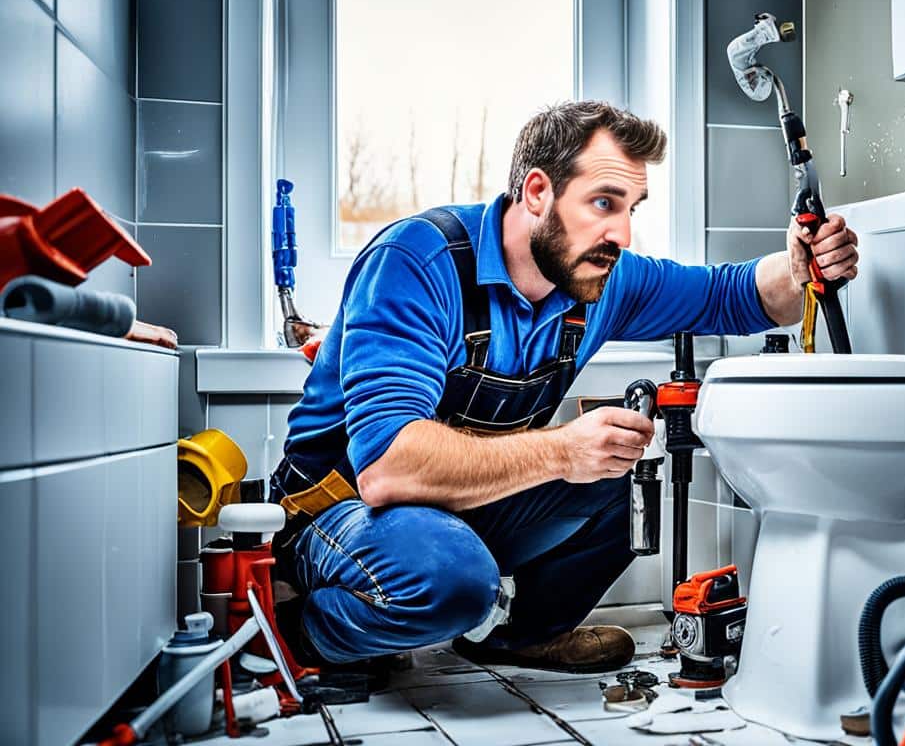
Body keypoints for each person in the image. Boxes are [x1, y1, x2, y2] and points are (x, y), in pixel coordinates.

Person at [269, 100, 859, 673]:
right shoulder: (417, 263)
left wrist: (800, 264)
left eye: (632, 207)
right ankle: (301, 632)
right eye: (603, 203)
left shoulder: (599, 276)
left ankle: (524, 638)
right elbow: (387, 469)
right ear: (536, 193)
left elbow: (734, 295)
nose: (622, 234)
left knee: (621, 471)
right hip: (337, 513)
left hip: (449, 509)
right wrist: (561, 450)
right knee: (452, 583)